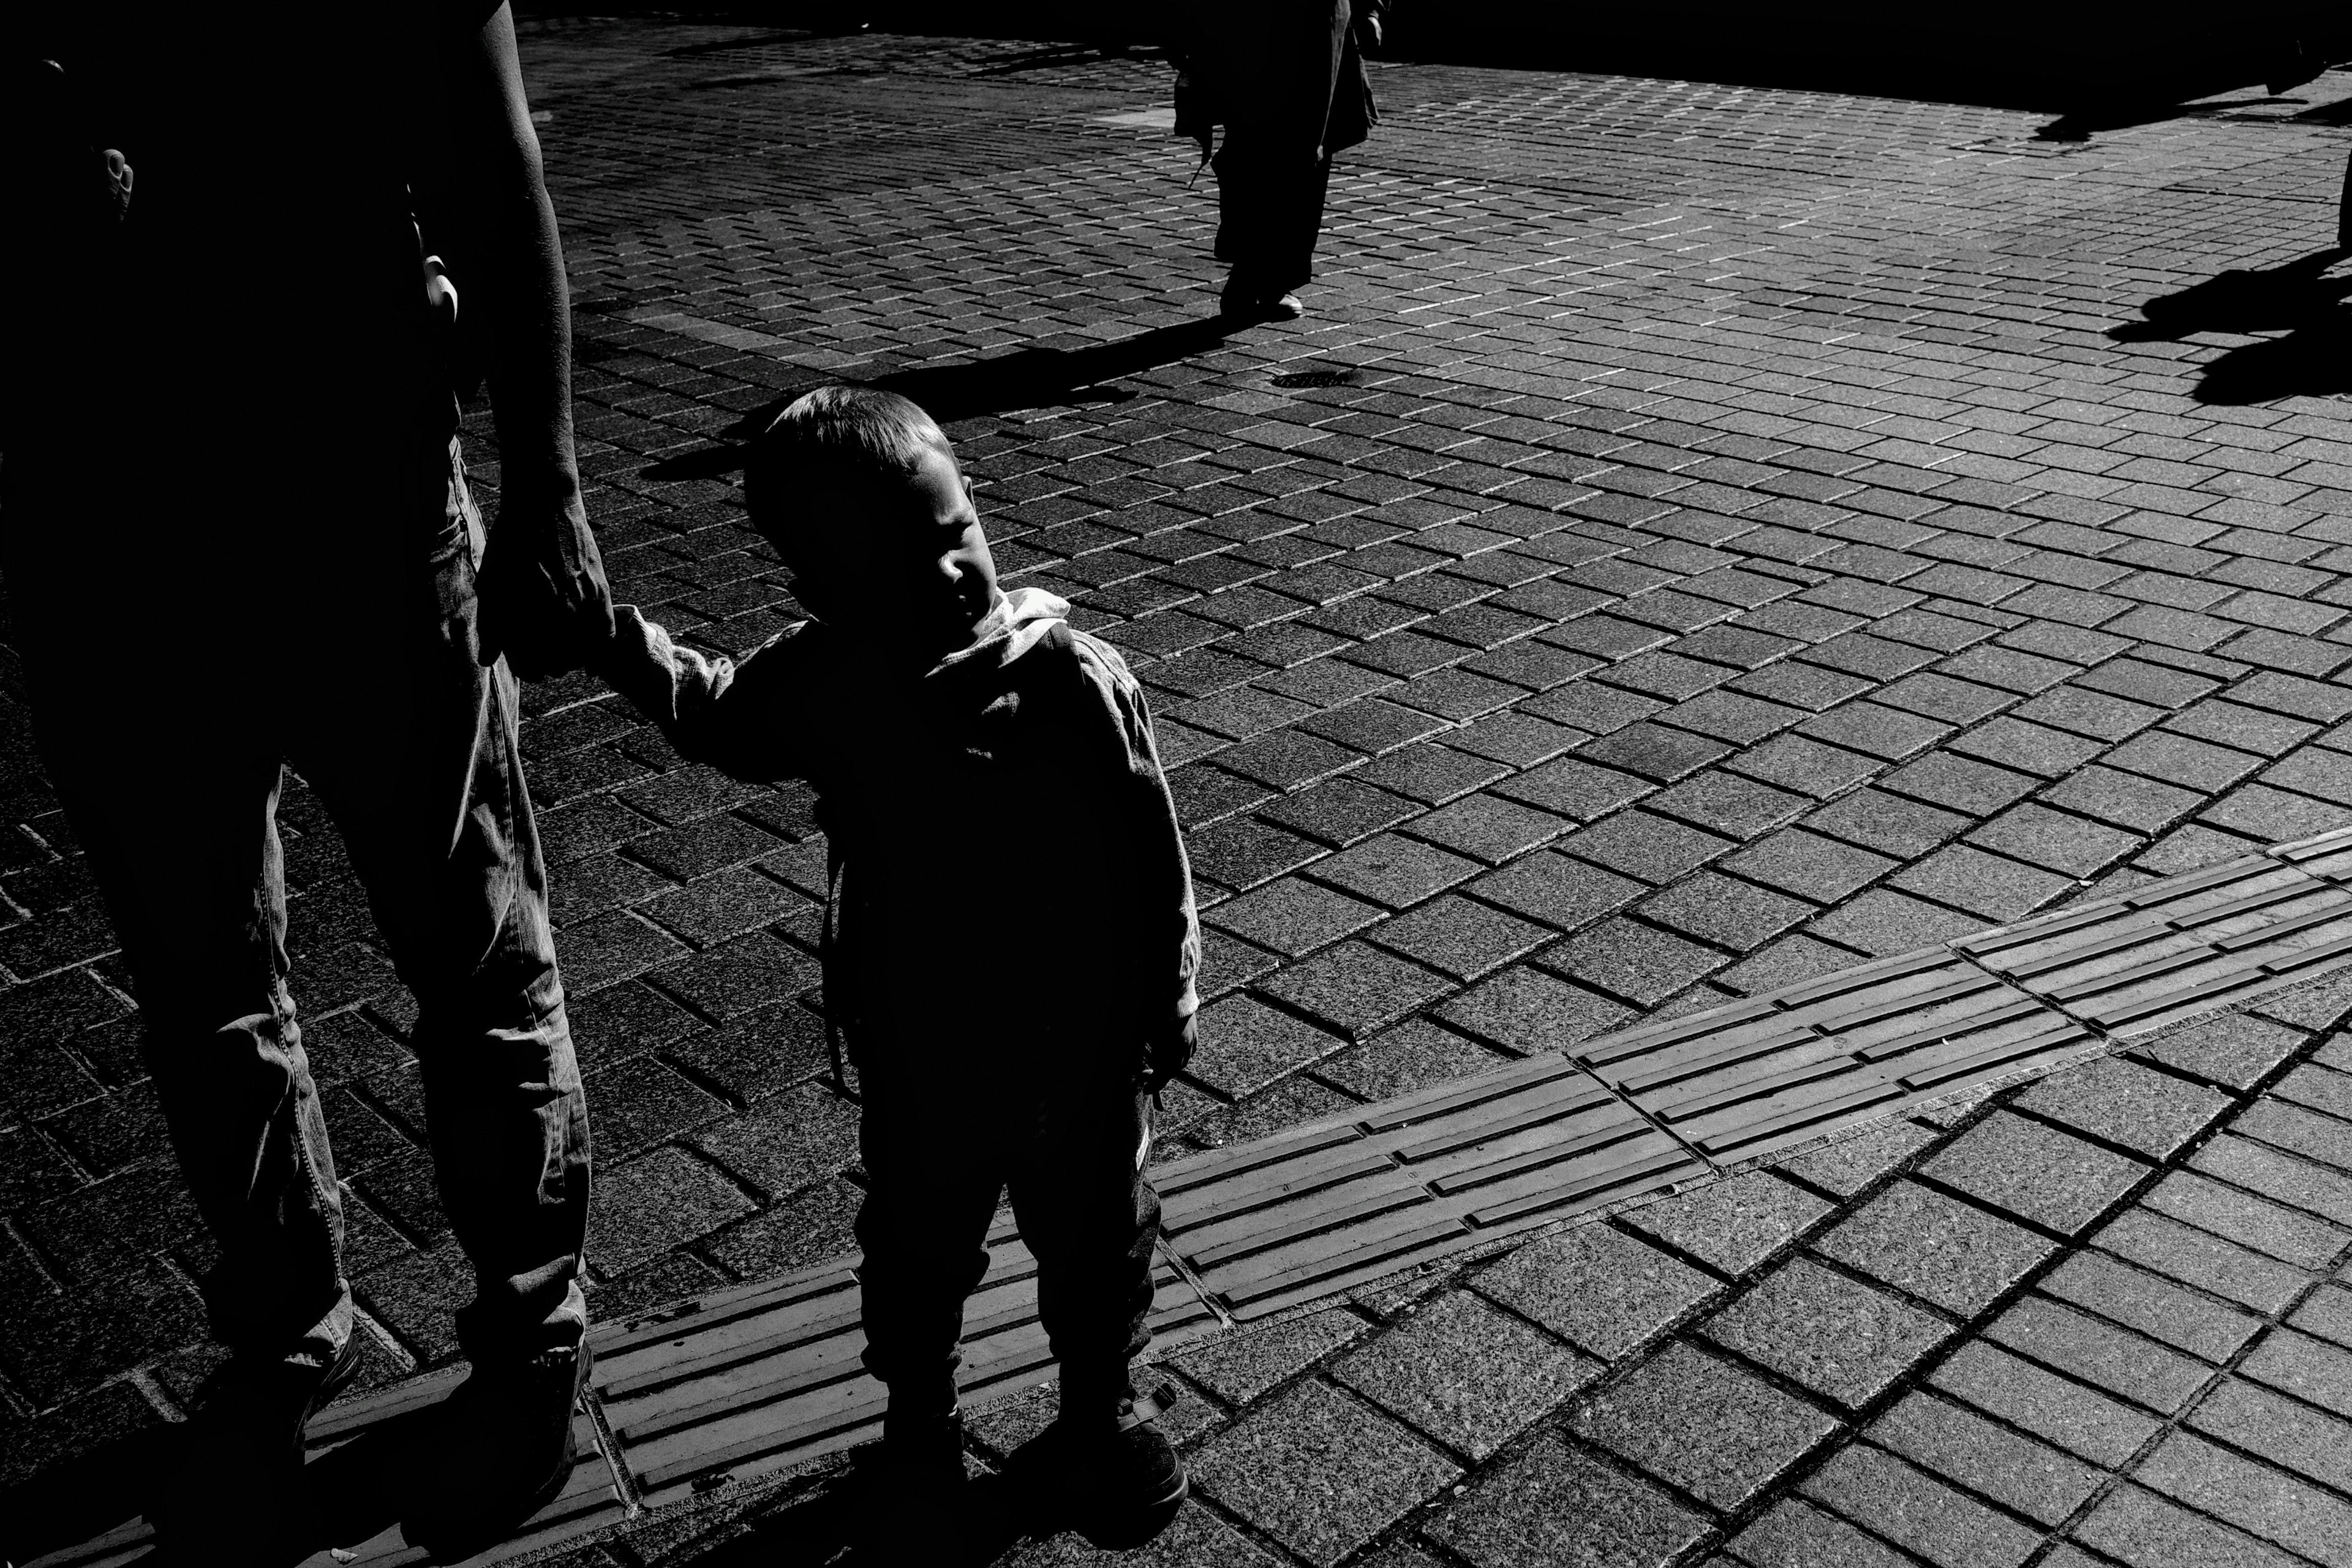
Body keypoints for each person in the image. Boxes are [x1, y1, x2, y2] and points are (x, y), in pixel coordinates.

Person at [2, 4, 608, 1559]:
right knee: (207, 973)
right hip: (104, 522)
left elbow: (491, 155)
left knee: (461, 939)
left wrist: (546, 480)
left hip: (351, 486)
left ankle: (524, 1334)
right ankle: (290, 1313)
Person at [592, 385, 1202, 1561]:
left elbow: (1152, 841)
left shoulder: (1074, 675)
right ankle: (920, 1431)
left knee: (1099, 1242)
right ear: (819, 590)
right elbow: (720, 717)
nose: (948, 572)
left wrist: (1170, 993)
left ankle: (1098, 1418)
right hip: (923, 1052)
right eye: (893, 562)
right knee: (918, 1249)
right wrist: (618, 641)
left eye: (953, 530)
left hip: (1082, 1049)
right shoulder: (828, 683)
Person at [1172, 0, 1389, 321]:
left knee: (1306, 156)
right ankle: (1250, 269)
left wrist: (1371, 9)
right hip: (1252, 26)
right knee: (1250, 149)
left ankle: (1271, 275)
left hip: (1316, 26)